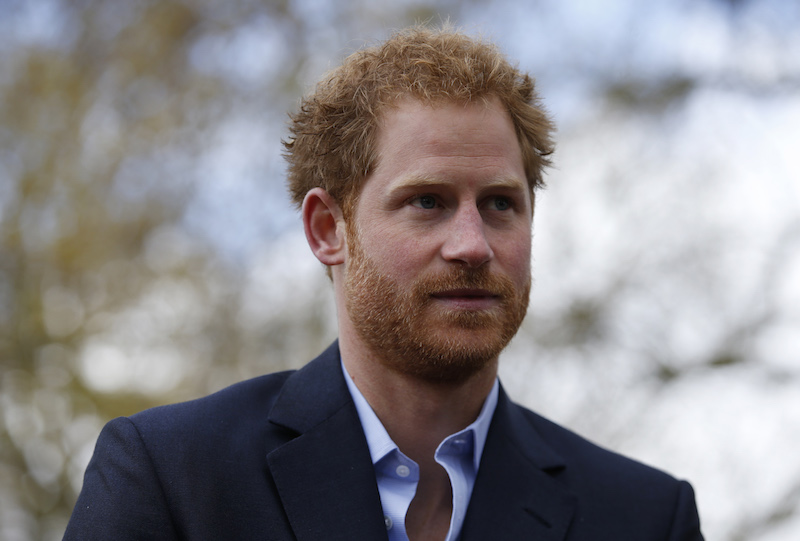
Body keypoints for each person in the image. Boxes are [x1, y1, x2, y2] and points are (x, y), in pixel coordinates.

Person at [64, 26, 704, 540]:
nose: (473, 245)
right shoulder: (176, 478)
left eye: (501, 204)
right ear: (327, 229)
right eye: (427, 202)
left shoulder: (645, 517)